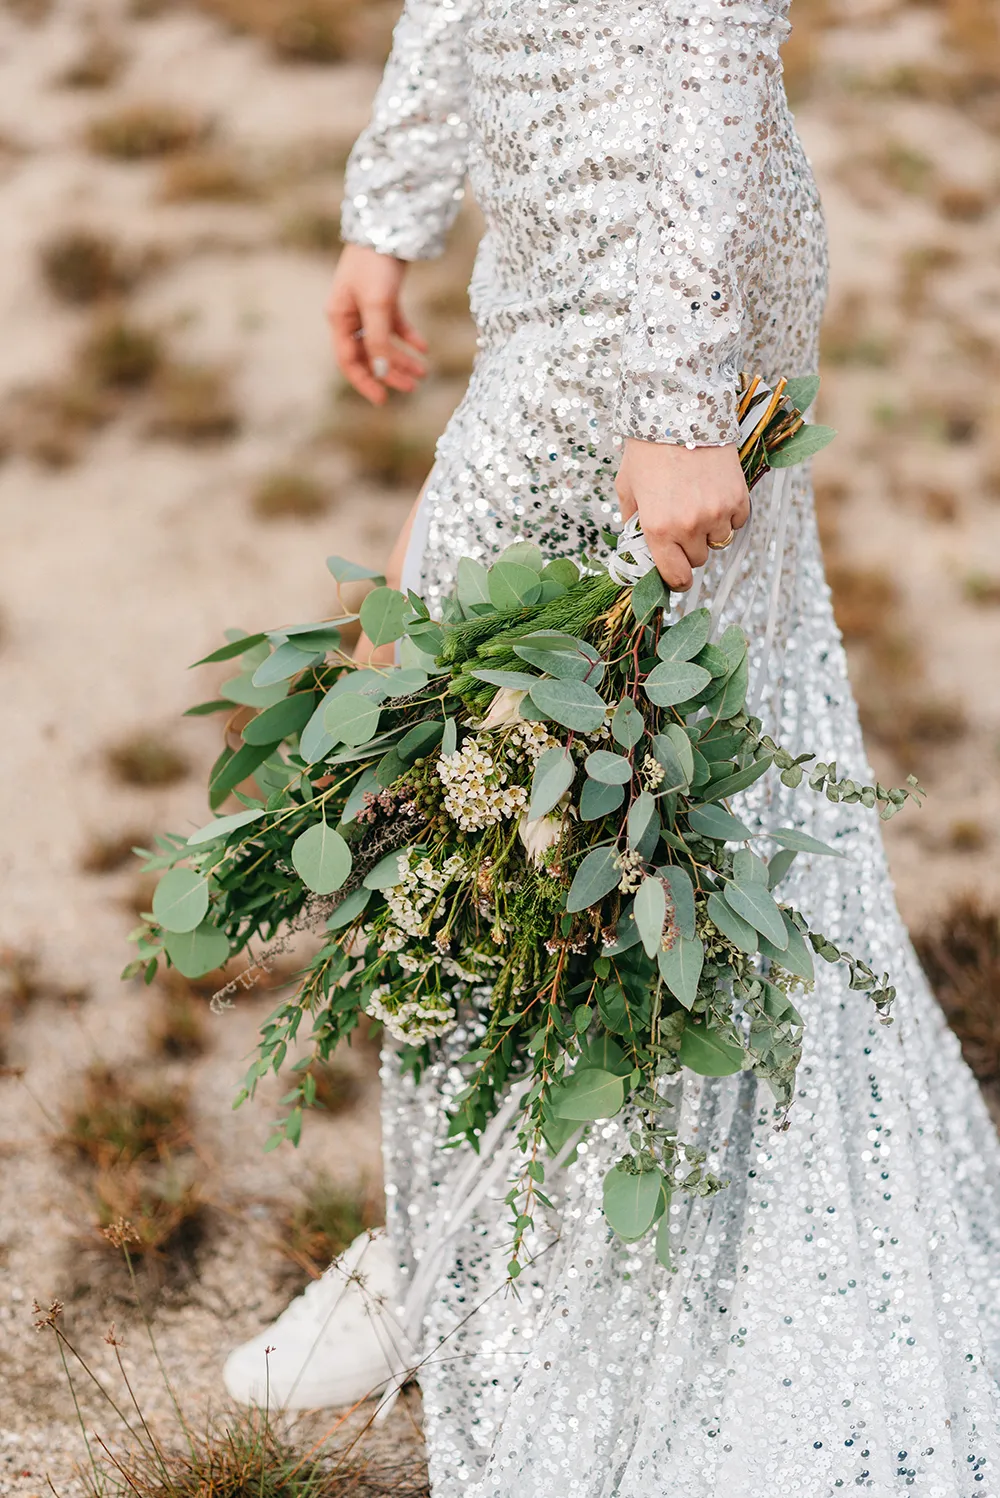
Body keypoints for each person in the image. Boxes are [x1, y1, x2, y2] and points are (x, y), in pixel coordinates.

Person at [224, 0, 1000, 1492]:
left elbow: (712, 35)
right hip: (556, 246)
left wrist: (674, 393)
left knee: (505, 736)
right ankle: (498, 1235)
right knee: (531, 749)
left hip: (659, 268)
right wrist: (394, 201)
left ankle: (525, 1265)